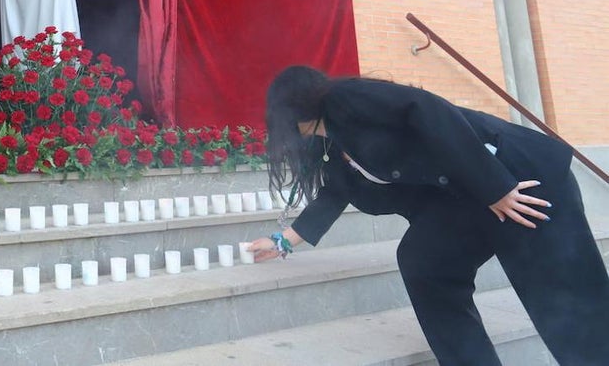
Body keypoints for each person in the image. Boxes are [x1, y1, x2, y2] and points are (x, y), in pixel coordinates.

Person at [249, 65, 609, 365]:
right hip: (466, 199)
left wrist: (495, 187)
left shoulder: (347, 100)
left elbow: (429, 108)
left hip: (519, 180)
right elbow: (332, 196)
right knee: (424, 261)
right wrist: (283, 242)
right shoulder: (333, 146)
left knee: (566, 302)